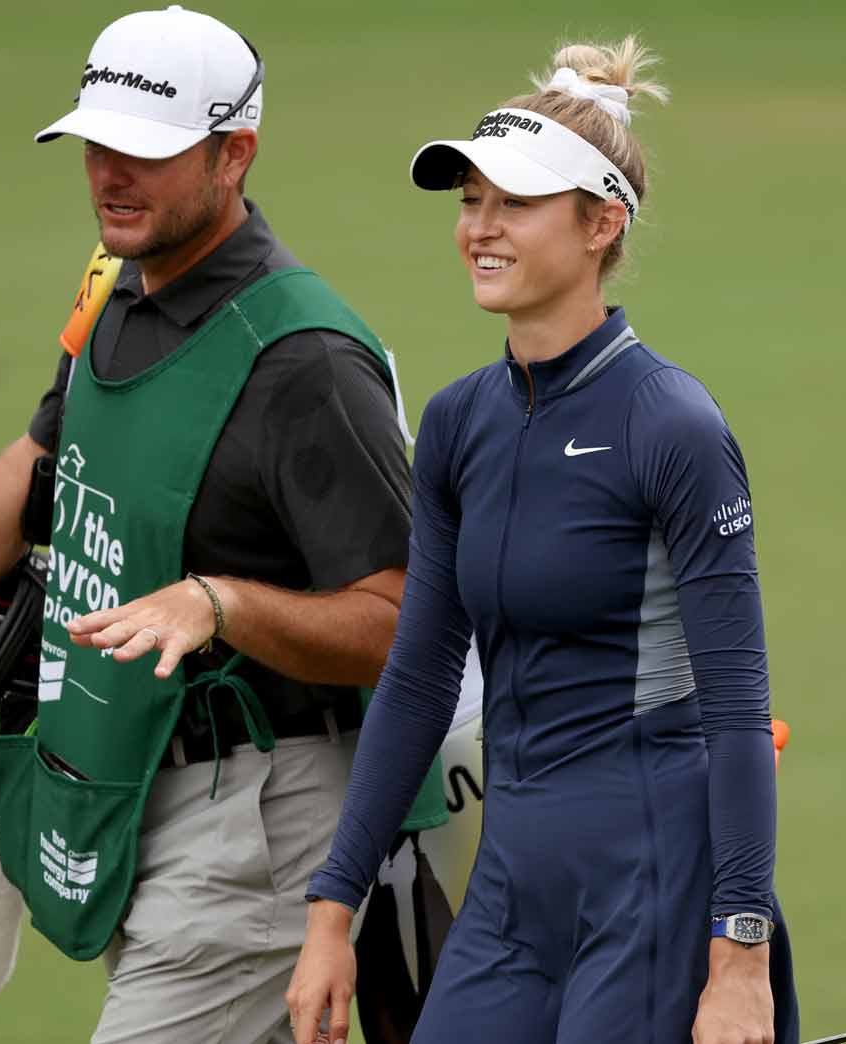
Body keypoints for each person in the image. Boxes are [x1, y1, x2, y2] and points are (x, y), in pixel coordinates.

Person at [0, 7, 442, 1043]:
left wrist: (220, 604)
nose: (111, 174)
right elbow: (41, 467)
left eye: (147, 152)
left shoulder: (307, 361)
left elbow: (404, 620)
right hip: (131, 790)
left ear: (233, 154)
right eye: (96, 144)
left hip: (260, 825)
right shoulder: (115, 284)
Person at [287, 38, 799, 1044]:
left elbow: (739, 713)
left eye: (514, 203)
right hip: (512, 886)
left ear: (602, 223)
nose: (479, 227)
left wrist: (739, 960)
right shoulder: (458, 423)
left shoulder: (672, 426)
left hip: (652, 885)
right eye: (470, 200)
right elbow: (418, 678)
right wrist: (332, 905)